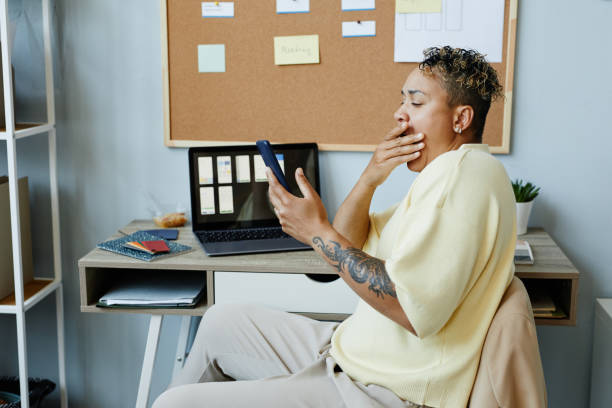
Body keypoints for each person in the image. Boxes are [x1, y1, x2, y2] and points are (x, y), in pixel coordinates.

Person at [153, 46, 515, 408]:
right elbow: (347, 243)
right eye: (402, 101)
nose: (399, 114)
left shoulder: (461, 178)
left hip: (385, 389)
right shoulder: (446, 175)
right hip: (354, 352)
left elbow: (409, 306)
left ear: (461, 118)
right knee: (219, 322)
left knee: (172, 405)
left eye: (416, 103)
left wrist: (315, 232)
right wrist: (369, 178)